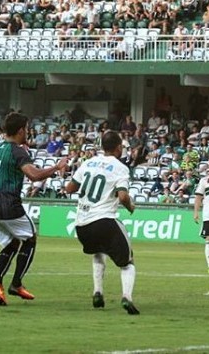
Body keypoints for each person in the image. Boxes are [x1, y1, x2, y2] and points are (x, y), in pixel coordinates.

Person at [0, 112, 69, 306]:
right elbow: (34, 175)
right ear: (21, 130)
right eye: (28, 129)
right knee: (30, 238)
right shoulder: (18, 151)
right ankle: (16, 283)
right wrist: (57, 166)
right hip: (7, 205)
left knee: (13, 242)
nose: (29, 132)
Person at [65, 130, 139, 315]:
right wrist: (130, 206)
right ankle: (126, 297)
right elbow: (122, 196)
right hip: (103, 220)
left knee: (98, 252)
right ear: (119, 147)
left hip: (82, 224)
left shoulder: (88, 162)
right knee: (127, 262)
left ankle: (98, 292)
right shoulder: (121, 168)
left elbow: (69, 188)